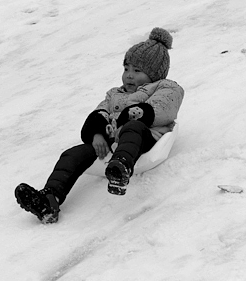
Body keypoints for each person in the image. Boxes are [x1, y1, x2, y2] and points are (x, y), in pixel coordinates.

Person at [15, 27, 184, 223]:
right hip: (112, 143)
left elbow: (164, 108)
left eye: (137, 71)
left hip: (145, 137)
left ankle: (121, 169)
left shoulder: (166, 86)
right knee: (72, 154)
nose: (129, 75)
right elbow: (100, 112)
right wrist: (97, 134)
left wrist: (132, 116)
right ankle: (50, 199)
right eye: (126, 68)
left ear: (155, 74)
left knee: (132, 128)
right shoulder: (115, 94)